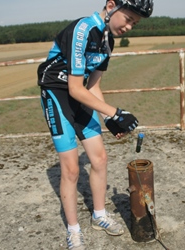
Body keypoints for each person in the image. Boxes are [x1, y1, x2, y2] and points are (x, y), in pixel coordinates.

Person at [37, 0, 153, 249]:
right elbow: (75, 88)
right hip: (58, 96)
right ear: (111, 5)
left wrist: (110, 118)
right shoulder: (83, 29)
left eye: (136, 23)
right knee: (71, 170)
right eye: (128, 18)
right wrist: (116, 112)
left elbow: (93, 87)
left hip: (81, 96)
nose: (130, 26)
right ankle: (73, 229)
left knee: (99, 159)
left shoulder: (107, 40)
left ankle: (99, 215)